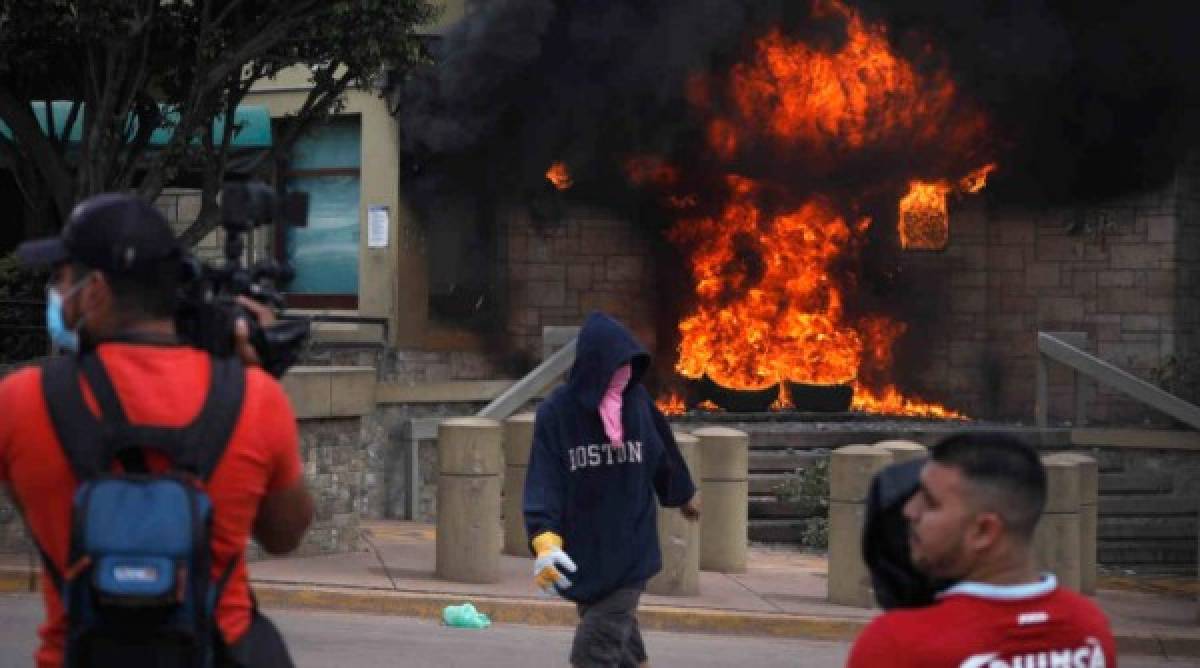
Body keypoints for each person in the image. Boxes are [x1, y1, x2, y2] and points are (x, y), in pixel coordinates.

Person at [0, 193, 313, 667]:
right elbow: (285, 534)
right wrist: (257, 375)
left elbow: (30, 503)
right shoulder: (253, 399)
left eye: (62, 278)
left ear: (95, 290)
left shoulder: (22, 402)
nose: (56, 292)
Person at [847, 433, 1116, 668]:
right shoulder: (1090, 630)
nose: (909, 511)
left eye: (930, 502)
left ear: (984, 531)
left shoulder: (897, 644)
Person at [524, 311, 699, 668]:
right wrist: (544, 537)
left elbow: (662, 451)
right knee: (617, 639)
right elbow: (545, 480)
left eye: (628, 367)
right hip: (585, 548)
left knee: (593, 650)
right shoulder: (557, 413)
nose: (622, 376)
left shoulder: (635, 403)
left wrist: (680, 493)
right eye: (614, 367)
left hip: (631, 547)